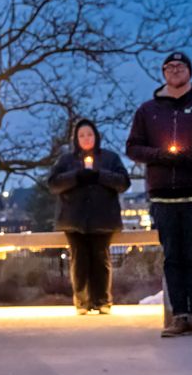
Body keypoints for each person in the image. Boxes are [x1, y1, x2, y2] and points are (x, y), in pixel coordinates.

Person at [126, 51, 192, 338]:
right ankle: (178, 315)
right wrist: (159, 155)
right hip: (163, 197)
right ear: (162, 73)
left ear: (190, 72)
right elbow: (133, 147)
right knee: (172, 257)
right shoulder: (148, 110)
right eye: (169, 67)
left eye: (180, 66)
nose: (174, 70)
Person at [47, 119, 131, 315]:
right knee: (79, 260)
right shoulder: (66, 161)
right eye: (82, 135)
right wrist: (76, 177)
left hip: (103, 219)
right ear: (76, 139)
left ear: (96, 136)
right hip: (74, 219)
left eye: (89, 134)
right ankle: (82, 302)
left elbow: (123, 182)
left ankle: (103, 301)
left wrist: (99, 176)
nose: (86, 139)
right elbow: (53, 184)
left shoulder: (110, 158)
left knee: (101, 258)